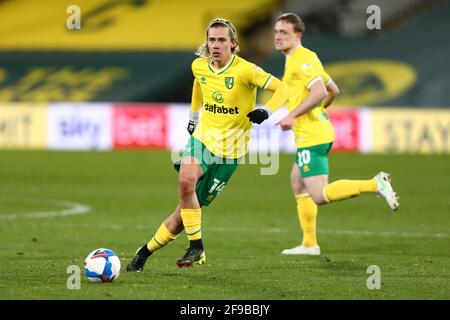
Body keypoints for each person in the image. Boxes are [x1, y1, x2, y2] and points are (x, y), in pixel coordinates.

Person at [126, 18, 290, 271]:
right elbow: (199, 85)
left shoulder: (246, 70)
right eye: (212, 39)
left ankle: (144, 253)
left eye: (221, 40)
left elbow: (283, 89)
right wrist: (193, 117)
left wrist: (266, 111)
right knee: (185, 180)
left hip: (231, 152)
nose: (215, 45)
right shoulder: (199, 66)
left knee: (183, 216)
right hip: (203, 139)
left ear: (233, 44)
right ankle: (197, 245)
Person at [273, 13, 400, 256]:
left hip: (312, 136)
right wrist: (317, 110)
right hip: (314, 131)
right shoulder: (302, 58)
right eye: (276, 32)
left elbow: (320, 91)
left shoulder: (301, 59)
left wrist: (293, 115)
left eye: (284, 33)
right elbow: (333, 89)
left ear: (297, 35)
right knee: (298, 182)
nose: (278, 37)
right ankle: (309, 244)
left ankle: (375, 184)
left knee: (319, 195)